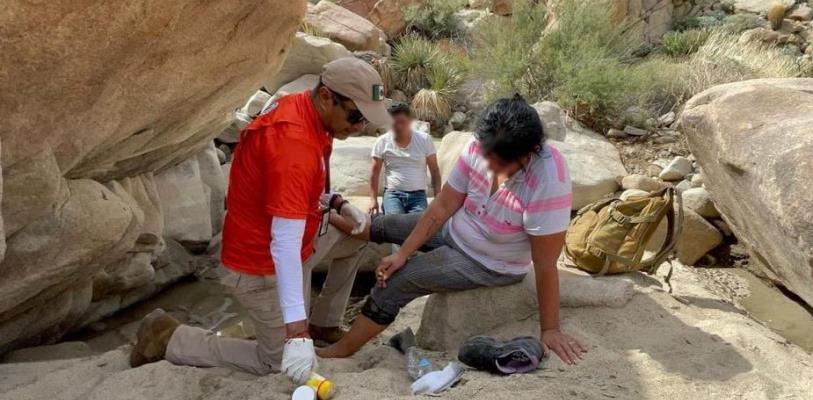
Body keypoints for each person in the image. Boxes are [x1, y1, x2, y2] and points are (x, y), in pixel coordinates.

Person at [128, 57, 392, 384]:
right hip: (260, 262)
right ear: (326, 97)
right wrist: (296, 333)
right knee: (280, 363)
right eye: (355, 116)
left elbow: (299, 187)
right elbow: (283, 244)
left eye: (365, 119)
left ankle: (323, 322)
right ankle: (170, 337)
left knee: (356, 238)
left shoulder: (307, 111)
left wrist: (338, 202)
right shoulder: (293, 142)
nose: (360, 127)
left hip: (298, 240)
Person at [318, 94, 587, 365]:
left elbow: (545, 263)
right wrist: (402, 253)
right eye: (487, 156)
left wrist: (550, 329)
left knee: (399, 280)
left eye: (501, 163)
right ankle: (330, 213)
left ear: (528, 154)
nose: (491, 167)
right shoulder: (477, 146)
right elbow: (443, 205)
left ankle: (343, 349)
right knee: (385, 225)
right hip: (456, 227)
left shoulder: (549, 177)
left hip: (488, 261)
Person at [368, 103, 441, 216]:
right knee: (395, 224)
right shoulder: (382, 142)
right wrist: (373, 200)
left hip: (418, 196)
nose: (399, 126)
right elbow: (374, 172)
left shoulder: (424, 140)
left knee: (418, 225)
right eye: (394, 123)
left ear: (410, 121)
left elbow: (435, 171)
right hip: (393, 194)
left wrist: (438, 198)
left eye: (402, 122)